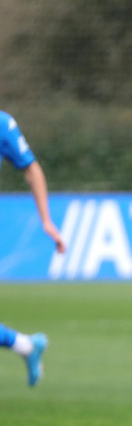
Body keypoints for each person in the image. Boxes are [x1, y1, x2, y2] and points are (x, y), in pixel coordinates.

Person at [1, 109, 66, 386]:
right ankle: (26, 346)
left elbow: (31, 168)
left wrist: (47, 221)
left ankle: (26, 346)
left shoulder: (3, 124)